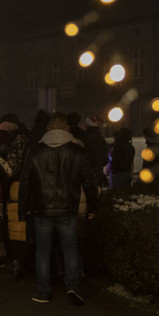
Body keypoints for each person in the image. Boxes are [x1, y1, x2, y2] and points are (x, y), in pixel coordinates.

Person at [18, 111, 100, 304]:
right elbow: (89, 182)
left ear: (47, 128)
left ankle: (43, 290)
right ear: (67, 128)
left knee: (43, 249)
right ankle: (72, 285)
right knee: (70, 248)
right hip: (67, 208)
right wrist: (92, 208)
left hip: (42, 208)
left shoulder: (35, 151)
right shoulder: (77, 151)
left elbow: (26, 182)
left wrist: (24, 210)